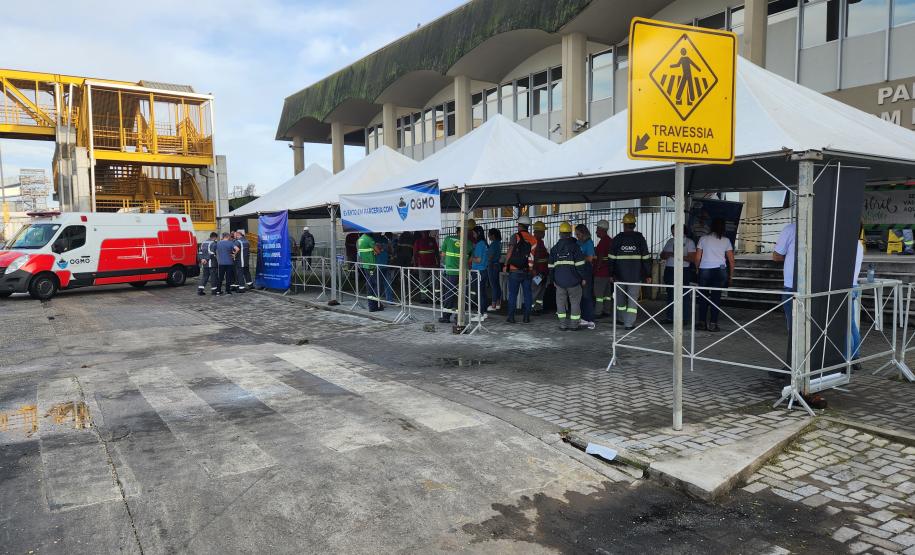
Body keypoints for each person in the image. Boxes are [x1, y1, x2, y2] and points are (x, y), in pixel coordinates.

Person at [610, 213, 652, 330]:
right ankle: (629, 324)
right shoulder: (640, 239)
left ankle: (622, 320)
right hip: (635, 276)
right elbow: (645, 258)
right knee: (632, 301)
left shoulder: (617, 239)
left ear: (624, 225)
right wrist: (648, 274)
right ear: (634, 225)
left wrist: (611, 273)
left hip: (619, 276)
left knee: (620, 300)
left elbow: (611, 258)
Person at [695, 219, 735, 332]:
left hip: (705, 270)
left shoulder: (703, 239)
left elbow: (697, 258)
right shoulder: (726, 240)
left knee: (703, 297)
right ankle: (713, 324)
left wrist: (698, 269)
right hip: (720, 270)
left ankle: (702, 323)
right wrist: (731, 276)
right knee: (716, 297)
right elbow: (731, 260)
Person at [550, 221, 586, 331]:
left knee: (560, 303)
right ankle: (574, 325)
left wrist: (553, 280)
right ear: (570, 233)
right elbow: (580, 266)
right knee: (575, 303)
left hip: (559, 282)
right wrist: (584, 278)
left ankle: (562, 325)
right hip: (574, 282)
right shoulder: (575, 247)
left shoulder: (554, 249)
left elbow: (551, 267)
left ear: (560, 234)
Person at [660, 224, 697, 323]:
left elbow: (692, 258)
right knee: (670, 294)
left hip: (683, 270)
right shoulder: (670, 241)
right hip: (670, 269)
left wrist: (677, 255)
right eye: (672, 231)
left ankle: (684, 318)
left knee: (684, 293)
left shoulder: (689, 242)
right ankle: (670, 317)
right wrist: (666, 254)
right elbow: (662, 255)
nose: (673, 233)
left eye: (674, 231)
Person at [503, 216, 537, 323]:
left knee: (513, 294)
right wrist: (530, 268)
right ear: (528, 227)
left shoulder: (515, 236)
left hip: (514, 270)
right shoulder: (533, 239)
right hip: (526, 271)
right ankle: (526, 317)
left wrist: (505, 265)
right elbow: (532, 256)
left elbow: (510, 251)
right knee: (527, 294)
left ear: (519, 225)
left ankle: (511, 317)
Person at [773, 222, 796, 375]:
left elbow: (776, 255)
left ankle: (791, 367)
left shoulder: (791, 228)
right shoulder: (823, 225)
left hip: (791, 285)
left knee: (793, 328)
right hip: (817, 284)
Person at [575, 224, 597, 329]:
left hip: (586, 270)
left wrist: (580, 256)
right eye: (576, 234)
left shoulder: (589, 243)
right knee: (579, 295)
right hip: (578, 270)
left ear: (583, 233)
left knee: (586, 295)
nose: (577, 236)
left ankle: (589, 319)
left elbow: (590, 258)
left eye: (578, 234)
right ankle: (582, 318)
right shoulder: (577, 242)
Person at [439, 231, 462, 323]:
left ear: (457, 231)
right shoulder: (468, 242)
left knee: (449, 294)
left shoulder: (448, 239)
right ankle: (458, 317)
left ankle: (446, 316)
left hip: (451, 271)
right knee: (460, 295)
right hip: (462, 273)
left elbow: (443, 254)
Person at [592, 220, 613, 319]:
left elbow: (600, 257)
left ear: (602, 230)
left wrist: (596, 269)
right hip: (608, 272)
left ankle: (598, 312)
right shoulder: (610, 240)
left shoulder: (603, 242)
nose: (596, 232)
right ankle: (607, 310)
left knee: (599, 294)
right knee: (607, 294)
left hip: (601, 273)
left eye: (597, 229)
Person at [357, 232, 383, 312]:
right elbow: (378, 251)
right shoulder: (369, 239)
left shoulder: (360, 239)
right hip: (371, 265)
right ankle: (374, 305)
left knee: (369, 284)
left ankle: (372, 305)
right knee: (376, 285)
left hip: (365, 264)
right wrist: (379, 249)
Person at [413, 230, 439, 303]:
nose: (425, 233)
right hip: (422, 265)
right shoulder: (418, 241)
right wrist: (415, 265)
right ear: (421, 233)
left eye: (427, 232)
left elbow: (436, 252)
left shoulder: (432, 240)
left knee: (436, 283)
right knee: (423, 283)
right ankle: (424, 298)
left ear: (429, 232)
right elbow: (415, 254)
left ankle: (437, 298)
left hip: (433, 265)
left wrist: (438, 264)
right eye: (424, 232)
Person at [531, 221, 550, 314]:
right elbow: (534, 257)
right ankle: (531, 307)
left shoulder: (540, 242)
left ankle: (537, 308)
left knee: (540, 290)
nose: (544, 233)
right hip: (538, 272)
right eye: (543, 231)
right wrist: (534, 270)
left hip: (542, 272)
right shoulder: (535, 242)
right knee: (535, 290)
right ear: (538, 232)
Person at [469, 227, 489, 313]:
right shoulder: (484, 243)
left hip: (478, 271)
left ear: (478, 233)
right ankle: (483, 311)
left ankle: (480, 312)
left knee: (479, 292)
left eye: (474, 233)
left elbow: (478, 260)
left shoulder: (480, 244)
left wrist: (469, 259)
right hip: (483, 270)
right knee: (482, 292)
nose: (473, 235)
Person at [375, 232, 394, 303]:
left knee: (377, 283)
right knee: (387, 282)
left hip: (376, 264)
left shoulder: (372, 240)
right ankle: (389, 299)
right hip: (385, 263)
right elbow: (391, 251)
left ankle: (377, 300)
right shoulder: (386, 240)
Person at [486, 228, 502, 311]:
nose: (488, 236)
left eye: (489, 234)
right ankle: (498, 303)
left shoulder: (494, 244)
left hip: (492, 266)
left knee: (493, 286)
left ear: (493, 235)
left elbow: (490, 256)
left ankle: (493, 304)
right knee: (497, 285)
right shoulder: (499, 243)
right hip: (497, 265)